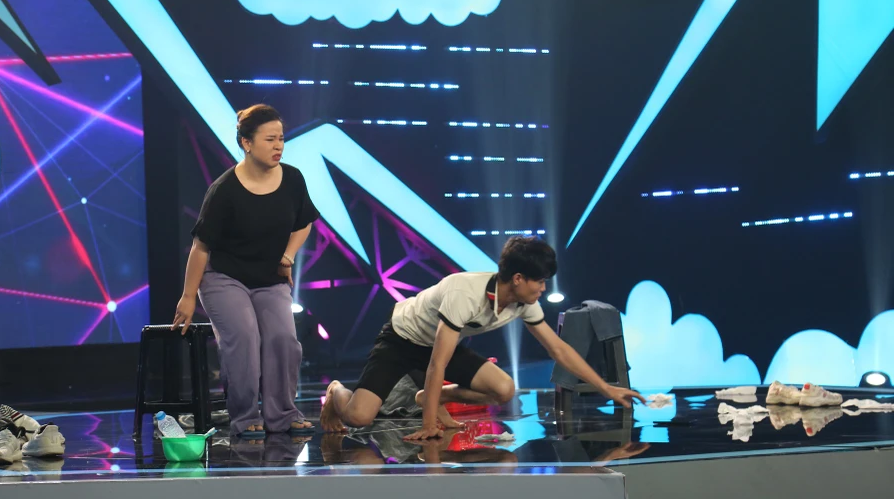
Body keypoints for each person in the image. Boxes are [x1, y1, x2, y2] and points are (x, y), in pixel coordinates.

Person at [320, 237, 645, 440]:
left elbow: (559, 349)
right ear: (518, 278)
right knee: (359, 417)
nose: (543, 289)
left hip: (436, 344)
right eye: (540, 281)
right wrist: (429, 424)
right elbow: (437, 364)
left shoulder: (524, 304)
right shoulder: (464, 292)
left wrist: (606, 388)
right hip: (401, 339)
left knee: (503, 389)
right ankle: (337, 392)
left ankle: (429, 399)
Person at [172, 104, 319, 438]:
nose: (278, 146)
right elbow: (200, 247)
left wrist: (287, 256)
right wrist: (188, 296)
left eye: (281, 139)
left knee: (284, 339)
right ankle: (245, 415)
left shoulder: (292, 179)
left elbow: (304, 222)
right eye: (270, 139)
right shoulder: (224, 190)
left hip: (269, 278)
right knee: (245, 337)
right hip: (224, 277)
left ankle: (283, 414)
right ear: (246, 143)